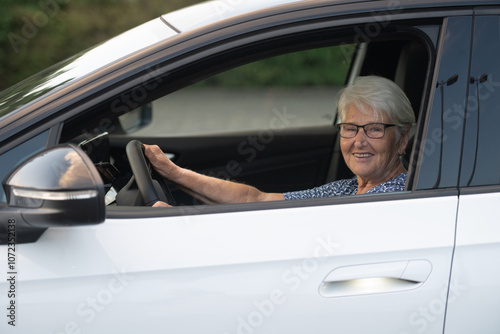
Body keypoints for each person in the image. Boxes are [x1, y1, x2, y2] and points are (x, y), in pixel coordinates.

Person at [144, 75, 415, 207]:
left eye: (375, 129)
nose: (359, 141)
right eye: (350, 128)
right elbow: (258, 200)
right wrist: (175, 173)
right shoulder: (347, 190)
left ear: (402, 140)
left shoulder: (390, 199)